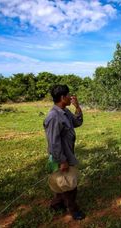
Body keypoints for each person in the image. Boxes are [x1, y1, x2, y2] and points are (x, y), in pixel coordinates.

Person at [43, 84, 85, 220]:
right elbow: (53, 142)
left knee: (61, 182)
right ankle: (74, 210)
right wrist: (62, 160)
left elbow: (77, 122)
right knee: (69, 185)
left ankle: (56, 204)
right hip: (60, 156)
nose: (70, 97)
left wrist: (77, 107)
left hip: (67, 153)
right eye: (68, 95)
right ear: (62, 97)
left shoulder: (65, 111)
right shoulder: (54, 116)